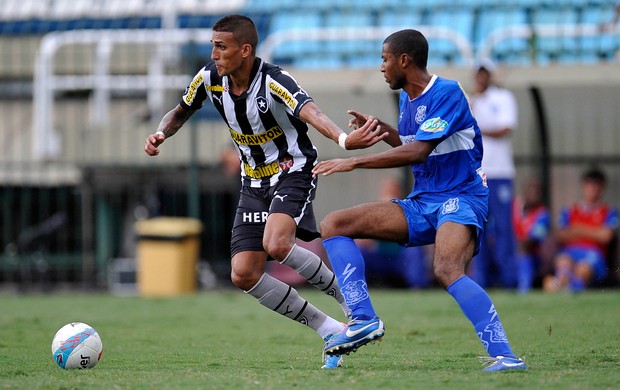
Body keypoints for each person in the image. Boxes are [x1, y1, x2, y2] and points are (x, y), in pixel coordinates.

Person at [143, 14, 386, 369]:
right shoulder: (209, 79)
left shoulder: (274, 80)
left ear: (245, 50)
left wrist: (344, 139)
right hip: (252, 182)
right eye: (212, 45)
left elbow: (311, 111)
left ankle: (355, 306)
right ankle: (330, 329)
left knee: (277, 243)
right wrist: (162, 133)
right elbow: (179, 111)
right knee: (243, 274)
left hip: (293, 170)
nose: (213, 54)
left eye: (220, 47)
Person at [312, 29, 526, 372]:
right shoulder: (406, 100)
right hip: (423, 201)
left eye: (384, 59)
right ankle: (363, 320)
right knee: (334, 224)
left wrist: (352, 161)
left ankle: (506, 356)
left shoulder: (448, 92)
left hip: (462, 197)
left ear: (404, 60)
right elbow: (416, 147)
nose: (381, 67)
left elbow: (420, 150)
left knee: (445, 268)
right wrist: (384, 131)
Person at [468, 59, 519, 289]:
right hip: (478, 174)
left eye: (484, 73)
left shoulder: (503, 97)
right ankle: (483, 279)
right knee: (478, 227)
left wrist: (480, 130)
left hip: (500, 172)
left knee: (504, 227)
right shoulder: (471, 100)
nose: (481, 78)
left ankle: (510, 279)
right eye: (478, 73)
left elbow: (505, 128)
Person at [543, 168, 619, 293]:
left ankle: (569, 286)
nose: (592, 189)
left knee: (583, 268)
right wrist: (595, 232)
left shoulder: (609, 212)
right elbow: (560, 234)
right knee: (563, 261)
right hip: (570, 251)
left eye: (596, 185)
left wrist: (577, 229)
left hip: (594, 254)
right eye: (589, 185)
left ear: (602, 188)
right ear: (583, 186)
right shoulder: (569, 211)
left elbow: (606, 236)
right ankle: (563, 284)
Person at [357, 177, 430, 289]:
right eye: (386, 190)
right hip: (378, 257)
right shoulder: (373, 210)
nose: (389, 192)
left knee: (415, 252)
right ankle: (357, 289)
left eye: (393, 189)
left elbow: (415, 233)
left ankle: (417, 288)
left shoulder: (407, 209)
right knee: (360, 251)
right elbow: (362, 240)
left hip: (400, 258)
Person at [512, 179, 550, 294]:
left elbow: (533, 240)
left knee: (524, 254)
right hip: (509, 252)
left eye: (538, 192)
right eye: (532, 191)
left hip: (532, 255)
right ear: (525, 192)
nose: (535, 195)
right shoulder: (513, 207)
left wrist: (515, 245)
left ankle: (524, 290)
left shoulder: (542, 214)